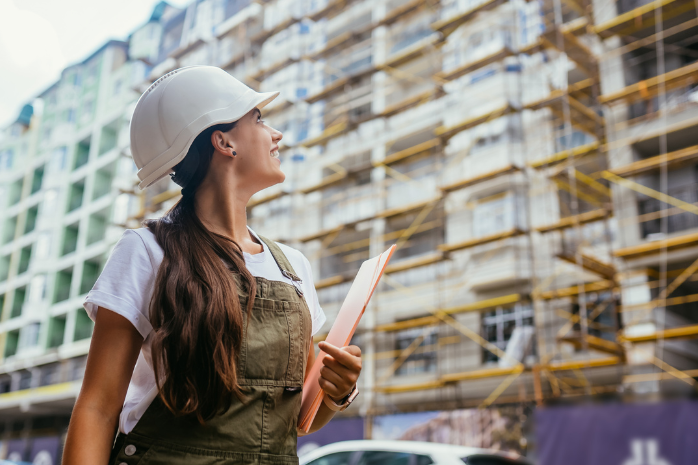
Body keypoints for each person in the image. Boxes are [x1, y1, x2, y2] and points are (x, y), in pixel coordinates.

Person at [62, 66, 362, 465]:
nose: (277, 134)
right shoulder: (147, 251)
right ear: (223, 142)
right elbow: (98, 408)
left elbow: (299, 419)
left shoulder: (294, 268)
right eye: (258, 119)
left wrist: (337, 391)